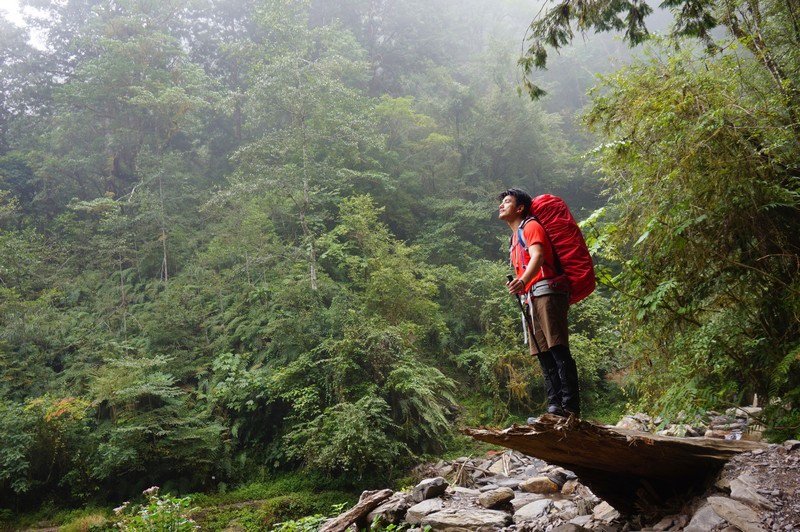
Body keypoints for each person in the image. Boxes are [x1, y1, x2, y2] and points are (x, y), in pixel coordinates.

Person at [498, 188, 580, 419]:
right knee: (544, 353)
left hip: (547, 291)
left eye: (507, 201)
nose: (501, 205)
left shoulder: (531, 226)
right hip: (533, 297)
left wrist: (522, 281)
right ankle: (555, 407)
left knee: (558, 348)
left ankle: (571, 408)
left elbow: (538, 256)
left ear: (520, 207)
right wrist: (523, 286)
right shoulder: (515, 237)